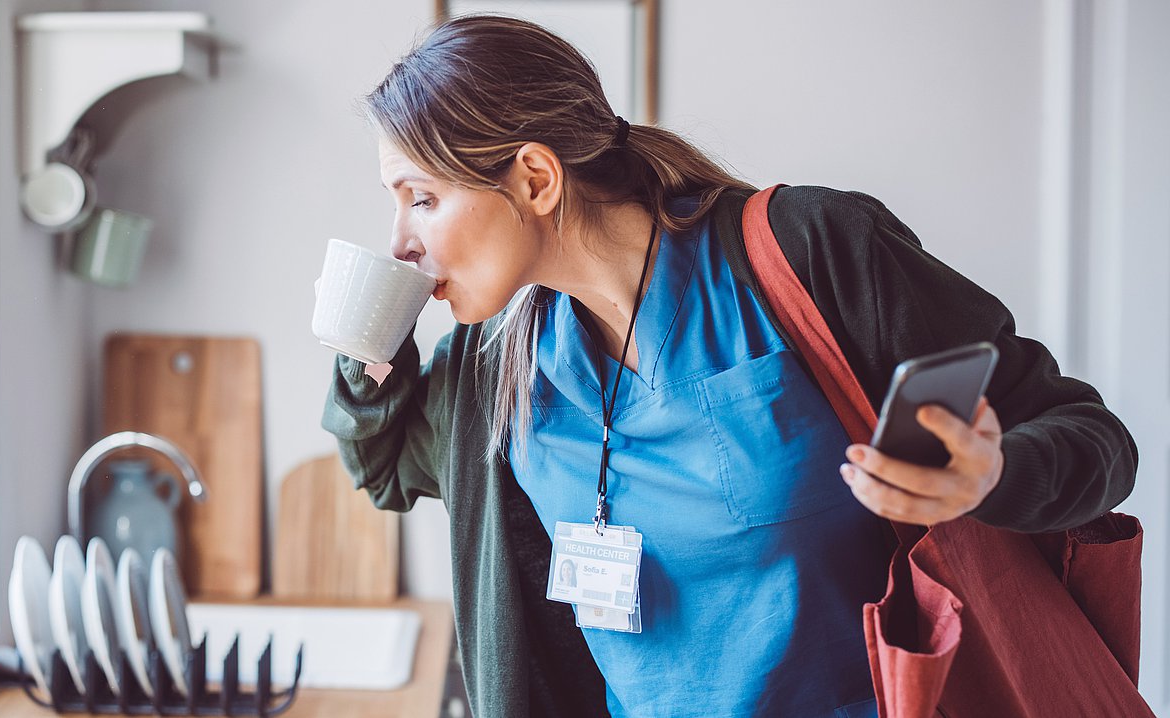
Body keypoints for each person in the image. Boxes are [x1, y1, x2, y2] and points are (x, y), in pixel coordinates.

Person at [321, 14, 1137, 718]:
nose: (399, 241)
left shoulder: (811, 251)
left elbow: (1093, 439)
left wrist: (989, 478)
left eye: (420, 197)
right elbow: (388, 469)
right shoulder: (501, 360)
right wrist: (371, 342)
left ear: (535, 178)